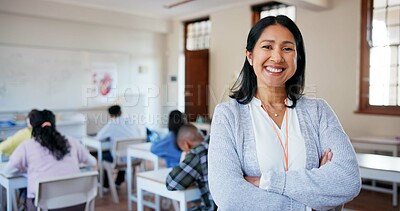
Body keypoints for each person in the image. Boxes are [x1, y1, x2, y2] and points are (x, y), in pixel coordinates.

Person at [208, 15, 361, 210]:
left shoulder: (318, 111)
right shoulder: (228, 115)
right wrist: (311, 202)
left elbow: (347, 180)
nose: (277, 57)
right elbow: (229, 196)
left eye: (287, 48)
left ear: (298, 58)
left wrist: (265, 182)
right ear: (250, 56)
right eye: (267, 47)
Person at [2, 109, 97, 211]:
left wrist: (27, 169)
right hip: (78, 205)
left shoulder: (27, 145)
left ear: (32, 127)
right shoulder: (72, 141)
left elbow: (7, 171)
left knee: (29, 200)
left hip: (45, 208)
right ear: (54, 124)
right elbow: (93, 162)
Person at [166, 124, 217, 211]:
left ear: (186, 145)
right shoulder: (214, 141)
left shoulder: (197, 153)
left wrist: (186, 158)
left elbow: (171, 183)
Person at [96, 104, 141, 188]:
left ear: (110, 115)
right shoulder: (131, 121)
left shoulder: (112, 124)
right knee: (121, 152)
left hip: (120, 160)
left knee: (103, 157)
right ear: (121, 112)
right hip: (135, 157)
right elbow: (139, 135)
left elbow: (99, 137)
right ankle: (119, 180)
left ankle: (105, 185)